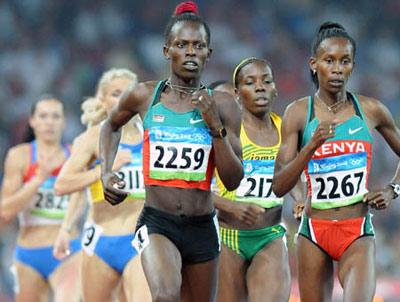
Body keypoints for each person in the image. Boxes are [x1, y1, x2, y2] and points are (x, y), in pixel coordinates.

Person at [99, 2, 243, 302]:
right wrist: (106, 172)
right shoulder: (144, 96)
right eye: (182, 45)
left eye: (198, 45)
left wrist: (216, 127)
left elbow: (232, 180)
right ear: (167, 51)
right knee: (165, 296)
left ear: (209, 53)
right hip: (157, 221)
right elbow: (110, 126)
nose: (190, 52)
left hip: (202, 225)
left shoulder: (225, 105)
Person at [272, 22, 400, 302]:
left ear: (353, 65)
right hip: (313, 233)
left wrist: (392, 190)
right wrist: (310, 147)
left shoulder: (370, 110)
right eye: (329, 61)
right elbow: (279, 185)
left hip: (357, 231)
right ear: (314, 64)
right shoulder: (297, 113)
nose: (337, 69)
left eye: (345, 61)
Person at [53, 69, 150, 302]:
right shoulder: (90, 139)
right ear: (102, 100)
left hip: (140, 237)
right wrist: (105, 170)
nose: (124, 99)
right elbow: (64, 185)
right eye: (116, 93)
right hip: (100, 240)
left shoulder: (152, 136)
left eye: (129, 93)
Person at [214, 58, 303, 302]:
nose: (260, 87)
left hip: (269, 234)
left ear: (275, 88)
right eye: (250, 83)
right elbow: (195, 189)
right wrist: (231, 206)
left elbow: (290, 174)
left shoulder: (285, 129)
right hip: (228, 236)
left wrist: (300, 199)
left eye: (266, 81)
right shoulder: (226, 132)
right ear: (236, 93)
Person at [0, 96, 81, 302]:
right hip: (29, 254)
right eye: (43, 116)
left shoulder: (76, 155)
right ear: (32, 121)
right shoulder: (19, 157)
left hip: (68, 249)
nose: (49, 122)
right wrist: (37, 181)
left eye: (55, 116)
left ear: (64, 122)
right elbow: (4, 211)